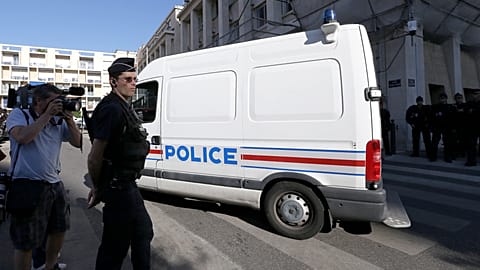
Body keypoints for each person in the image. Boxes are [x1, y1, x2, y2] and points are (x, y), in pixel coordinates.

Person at [86, 57, 153, 270]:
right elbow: (95, 156)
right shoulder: (112, 109)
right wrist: (98, 187)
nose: (133, 83)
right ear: (114, 81)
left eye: (134, 79)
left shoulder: (124, 107)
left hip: (127, 184)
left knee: (143, 232)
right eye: (128, 79)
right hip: (117, 188)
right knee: (115, 248)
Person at [6, 84, 82, 270]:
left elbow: (78, 142)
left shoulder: (59, 120)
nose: (58, 105)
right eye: (53, 101)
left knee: (59, 230)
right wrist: (46, 115)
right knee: (26, 242)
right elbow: (23, 137)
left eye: (59, 101)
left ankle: (49, 266)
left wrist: (70, 120)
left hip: (54, 185)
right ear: (38, 101)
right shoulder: (19, 115)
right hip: (27, 185)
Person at [429, 93, 455, 162]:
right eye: (441, 98)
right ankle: (433, 157)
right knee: (434, 142)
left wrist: (453, 128)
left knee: (447, 143)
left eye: (444, 98)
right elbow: (431, 117)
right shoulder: (435, 107)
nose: (442, 99)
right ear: (439, 99)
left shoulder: (450, 107)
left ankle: (447, 157)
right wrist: (431, 127)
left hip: (447, 127)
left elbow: (453, 118)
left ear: (446, 99)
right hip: (437, 127)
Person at [464, 90, 480, 166]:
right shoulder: (470, 103)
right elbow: (466, 111)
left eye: (477, 94)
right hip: (472, 127)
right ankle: (471, 161)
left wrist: (473, 111)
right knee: (471, 145)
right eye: (474, 94)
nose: (475, 95)